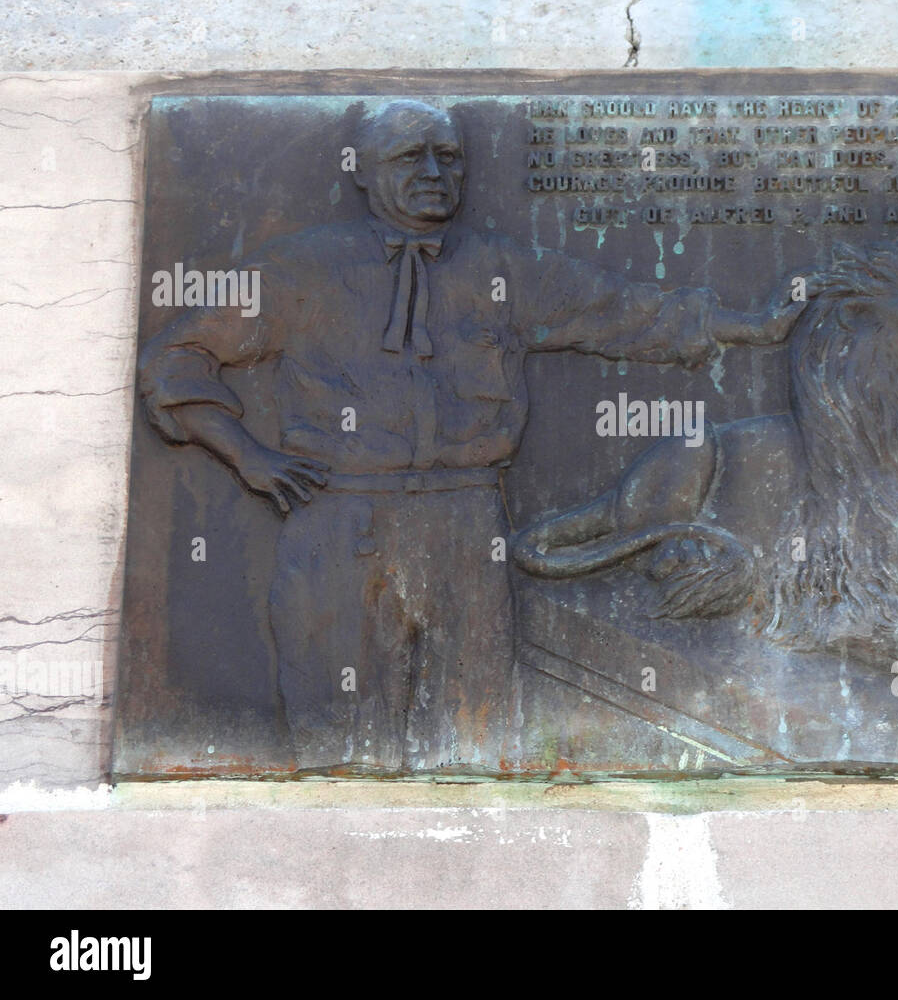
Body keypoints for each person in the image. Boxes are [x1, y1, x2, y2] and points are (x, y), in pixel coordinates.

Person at [139, 99, 800, 772]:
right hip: (337, 522)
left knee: (473, 744)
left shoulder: (505, 268)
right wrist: (247, 455)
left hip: (466, 522)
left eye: (449, 157)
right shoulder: (299, 269)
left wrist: (753, 325)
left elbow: (621, 311)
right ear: (363, 172)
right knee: (339, 748)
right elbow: (172, 360)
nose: (433, 171)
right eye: (409, 156)